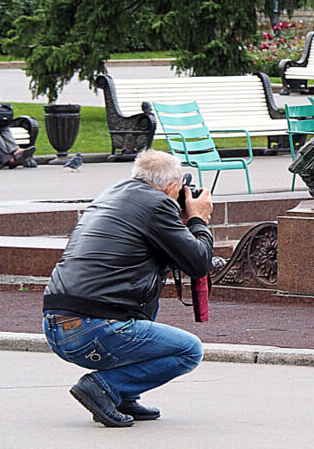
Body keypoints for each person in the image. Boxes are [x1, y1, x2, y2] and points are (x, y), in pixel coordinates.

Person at [42, 149, 214, 427]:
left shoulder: (111, 196)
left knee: (142, 307)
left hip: (56, 327)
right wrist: (198, 219)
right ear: (172, 186)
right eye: (181, 188)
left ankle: (124, 395)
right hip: (93, 330)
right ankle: (102, 386)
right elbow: (198, 263)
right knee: (189, 350)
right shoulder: (158, 205)